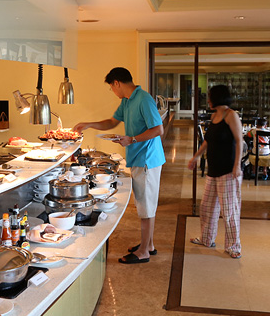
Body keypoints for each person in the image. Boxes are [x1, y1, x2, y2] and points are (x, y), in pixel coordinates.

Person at [73, 67, 165, 264]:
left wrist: (131, 139)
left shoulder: (144, 99)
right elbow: (111, 122)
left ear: (117, 83)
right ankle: (148, 245)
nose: (112, 91)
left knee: (146, 206)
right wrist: (88, 124)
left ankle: (143, 252)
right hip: (138, 157)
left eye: (111, 87)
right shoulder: (127, 101)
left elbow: (158, 129)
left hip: (147, 159)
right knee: (145, 203)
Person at [187, 85, 243, 259]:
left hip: (228, 171)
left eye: (210, 97)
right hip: (213, 170)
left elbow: (239, 141)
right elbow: (207, 141)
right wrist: (195, 157)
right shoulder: (214, 116)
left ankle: (233, 246)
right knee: (207, 207)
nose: (208, 100)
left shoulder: (231, 115)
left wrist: (237, 166)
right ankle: (207, 239)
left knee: (229, 211)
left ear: (217, 98)